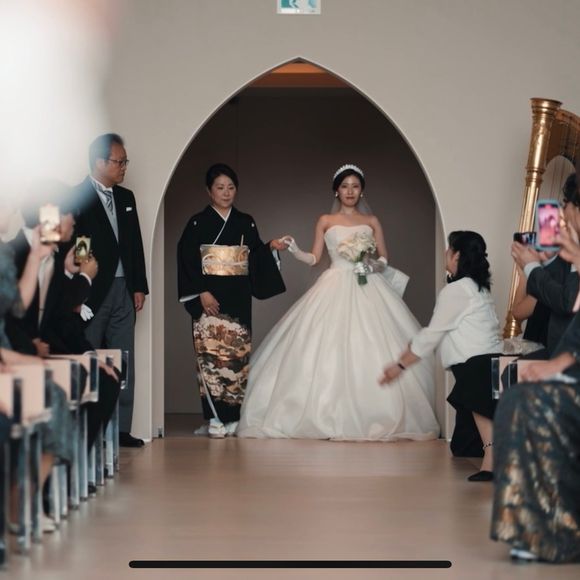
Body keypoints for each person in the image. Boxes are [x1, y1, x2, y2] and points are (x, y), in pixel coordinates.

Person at [237, 164, 439, 441]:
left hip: (366, 283)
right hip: (333, 284)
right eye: (345, 186)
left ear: (361, 190)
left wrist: (371, 265)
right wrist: (295, 250)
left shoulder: (372, 221)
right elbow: (315, 258)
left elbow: (384, 258)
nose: (350, 191)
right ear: (336, 190)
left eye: (355, 186)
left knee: (372, 341)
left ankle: (373, 410)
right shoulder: (325, 220)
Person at [380, 230, 503, 480]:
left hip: (476, 366)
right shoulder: (478, 287)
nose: (446, 253)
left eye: (449, 249)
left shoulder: (457, 290)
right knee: (462, 446)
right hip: (491, 362)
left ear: (457, 255)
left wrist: (400, 366)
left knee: (476, 400)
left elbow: (432, 334)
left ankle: (492, 462)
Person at [177, 163, 287, 438]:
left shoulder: (245, 221)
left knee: (237, 356)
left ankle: (233, 417)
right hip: (208, 298)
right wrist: (201, 292)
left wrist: (270, 248)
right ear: (209, 191)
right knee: (210, 356)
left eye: (231, 187)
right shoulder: (197, 223)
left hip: (237, 297)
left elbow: (255, 255)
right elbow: (187, 259)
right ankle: (216, 418)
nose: (226, 193)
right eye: (220, 188)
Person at [491, 224, 580, 563]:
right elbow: (522, 310)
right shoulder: (563, 265)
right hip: (567, 362)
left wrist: (533, 268)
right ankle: (531, 526)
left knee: (529, 396)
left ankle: (556, 527)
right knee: (514, 391)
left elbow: (568, 302)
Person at [73, 133, 149, 447]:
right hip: (92, 290)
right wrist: (80, 287)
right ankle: (89, 430)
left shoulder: (126, 198)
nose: (124, 167)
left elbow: (134, 244)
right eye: (119, 161)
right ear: (99, 162)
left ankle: (119, 430)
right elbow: (78, 244)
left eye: (125, 162)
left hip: (124, 288)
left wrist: (139, 286)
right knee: (90, 356)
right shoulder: (76, 197)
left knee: (122, 357)